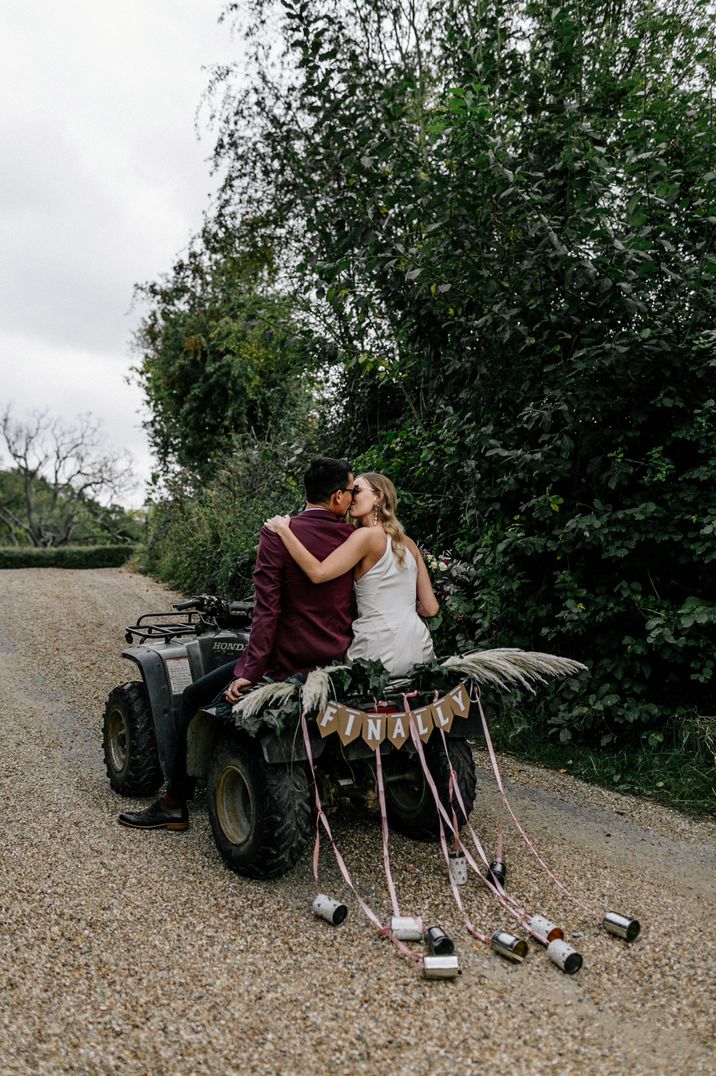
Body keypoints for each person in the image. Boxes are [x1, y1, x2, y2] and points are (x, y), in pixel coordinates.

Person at [118, 456, 356, 831]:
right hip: (338, 661)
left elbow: (268, 613)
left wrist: (249, 671)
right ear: (338, 497)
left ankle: (174, 802)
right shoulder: (355, 538)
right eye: (351, 490)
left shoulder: (279, 533)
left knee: (194, 697)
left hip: (288, 661)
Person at [264, 472, 438, 677]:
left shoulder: (365, 537)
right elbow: (430, 607)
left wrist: (284, 531)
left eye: (357, 490)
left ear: (378, 496)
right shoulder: (409, 544)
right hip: (419, 647)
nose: (351, 496)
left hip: (377, 652)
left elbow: (318, 573)